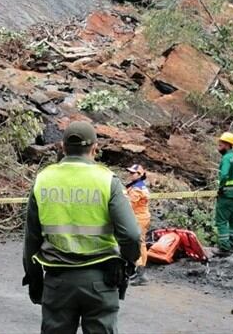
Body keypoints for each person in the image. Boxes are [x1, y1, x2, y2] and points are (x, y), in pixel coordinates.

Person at [23, 121, 141, 334]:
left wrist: (34, 277)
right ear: (95, 148)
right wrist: (128, 264)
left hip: (57, 281)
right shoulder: (108, 181)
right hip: (101, 281)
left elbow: (31, 238)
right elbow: (131, 235)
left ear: (62, 147)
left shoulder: (43, 180)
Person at [215, 132, 233, 256]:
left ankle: (224, 247)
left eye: (221, 144)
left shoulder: (227, 158)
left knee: (221, 220)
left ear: (228, 145)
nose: (218, 146)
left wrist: (221, 188)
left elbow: (224, 175)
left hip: (227, 193)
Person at [125, 164, 151, 286]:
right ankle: (139, 271)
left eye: (133, 173)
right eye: (129, 172)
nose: (130, 174)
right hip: (143, 217)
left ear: (140, 175)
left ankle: (140, 273)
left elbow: (128, 206)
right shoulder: (138, 186)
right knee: (141, 244)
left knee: (135, 244)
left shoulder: (136, 189)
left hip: (138, 219)